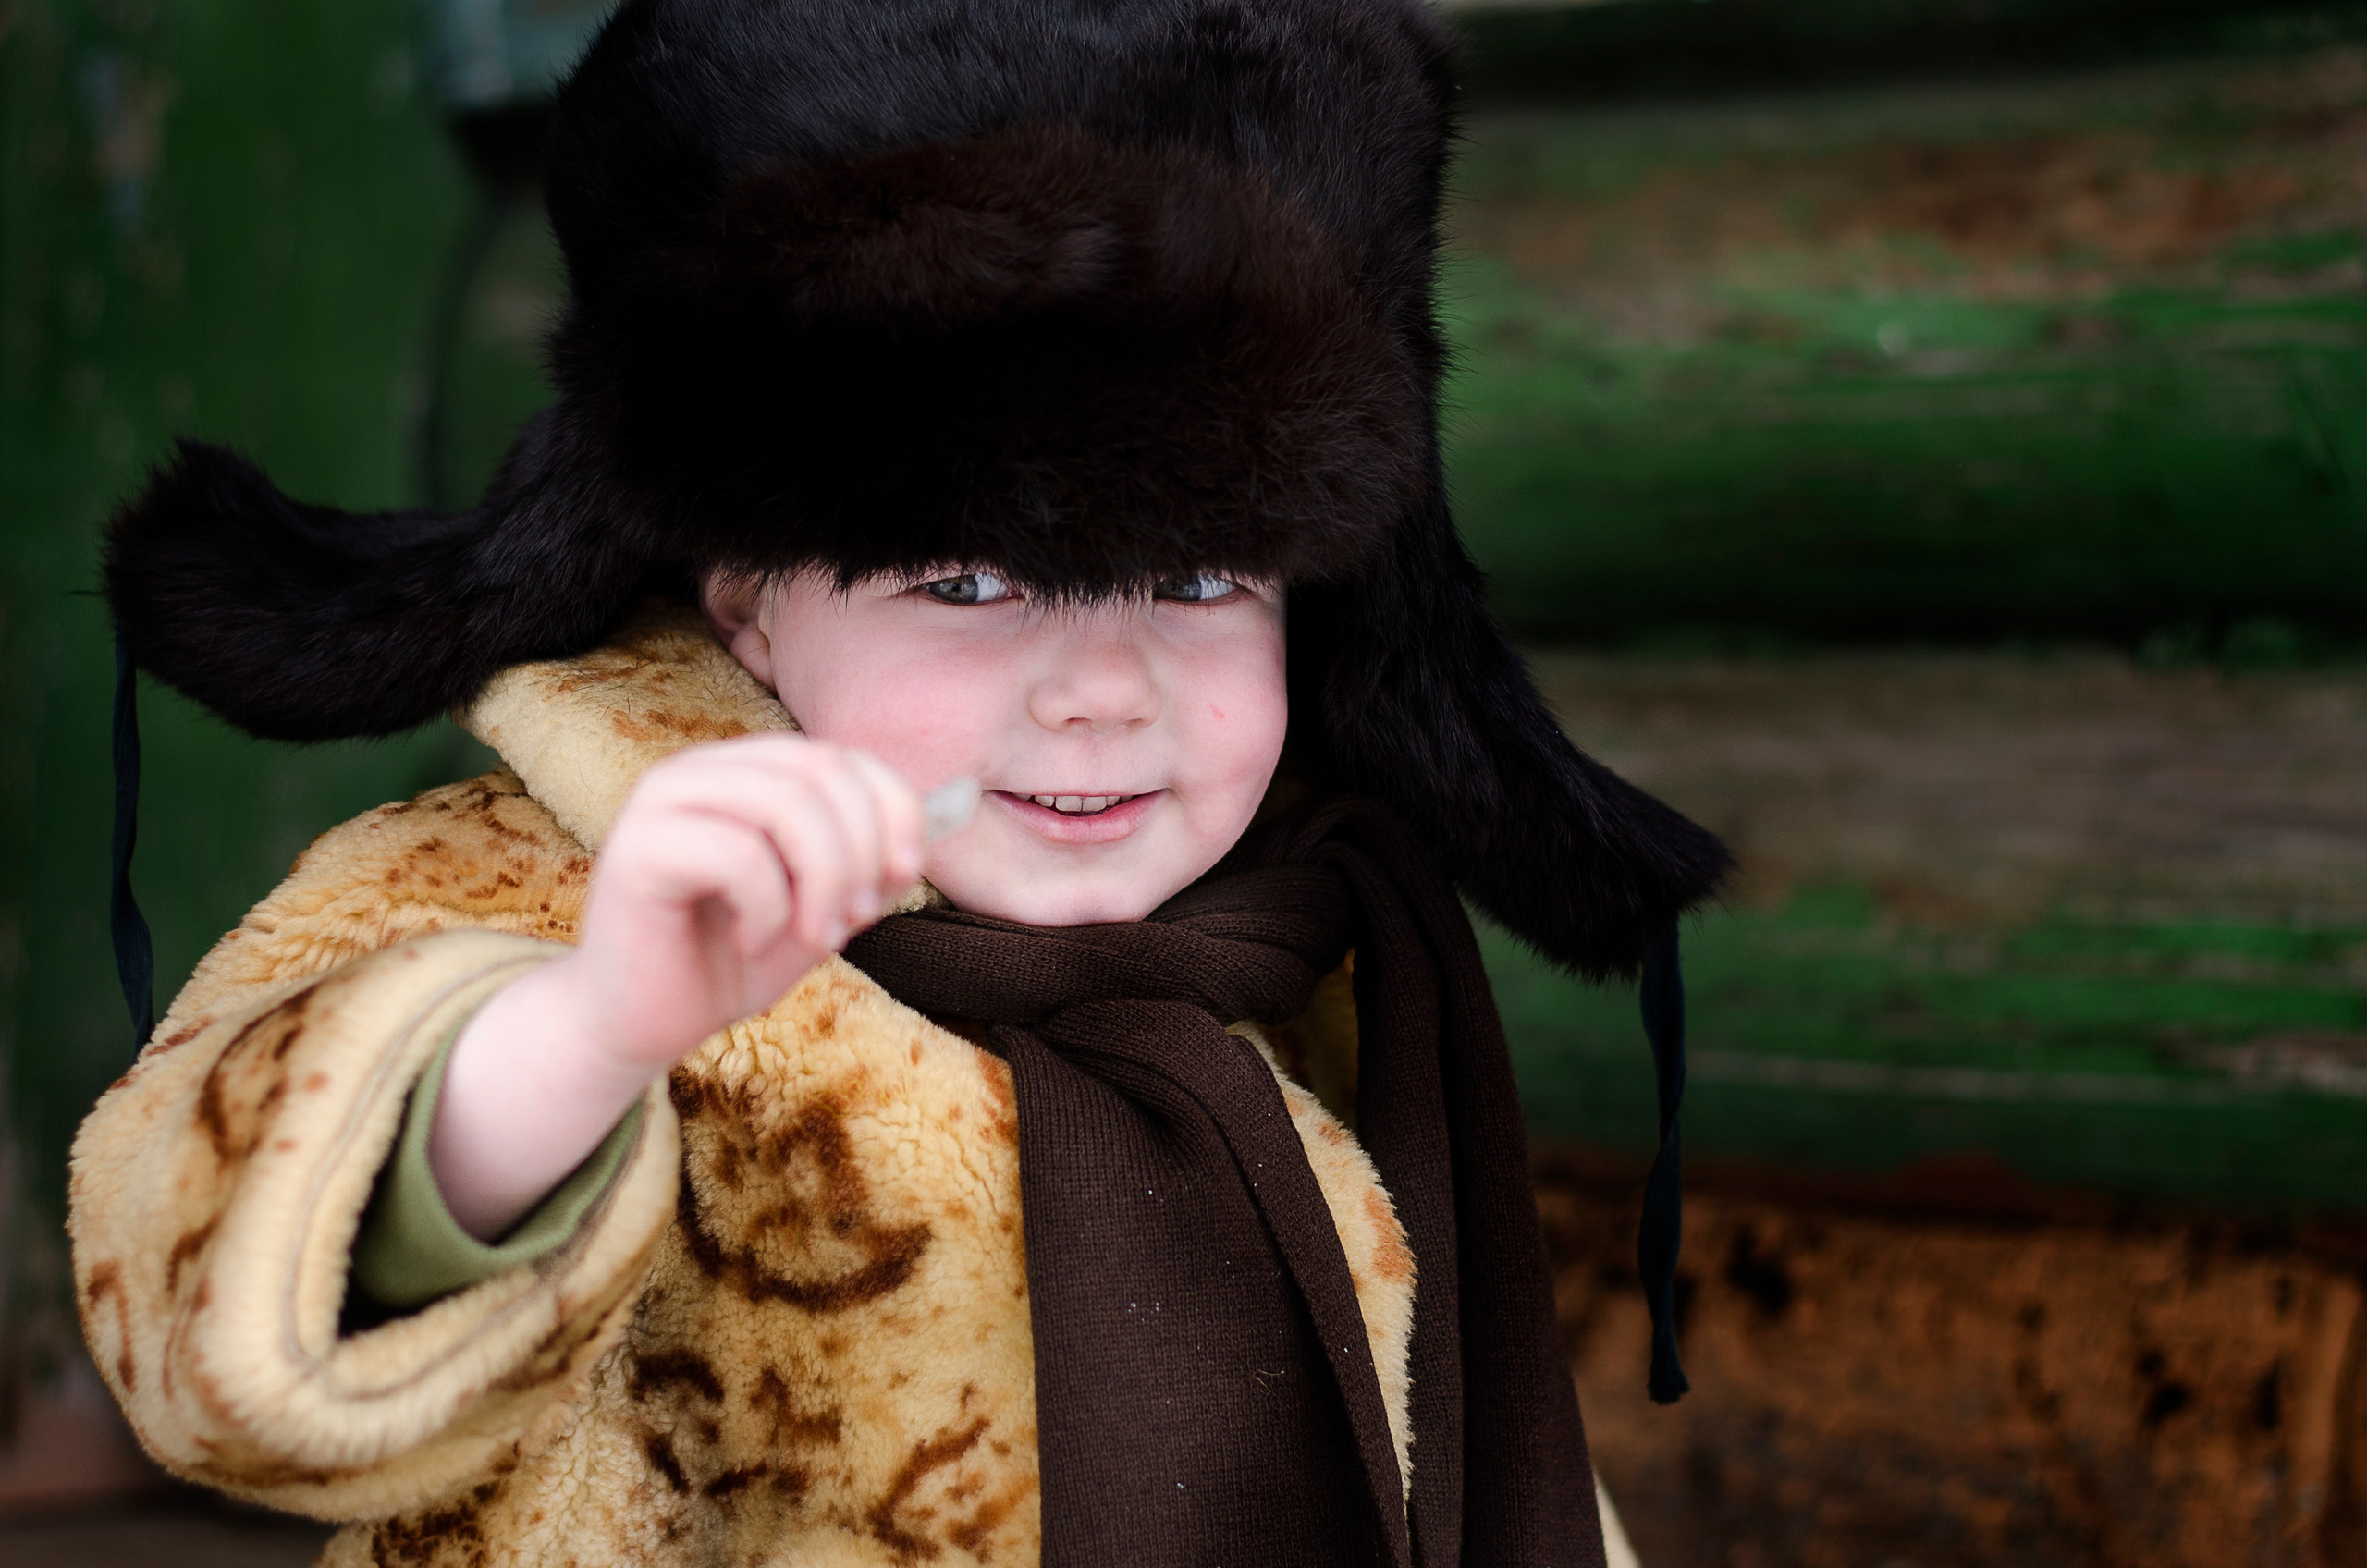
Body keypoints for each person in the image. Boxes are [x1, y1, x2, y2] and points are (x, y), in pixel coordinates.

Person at [72, 2, 1724, 1564]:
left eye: (1207, 577)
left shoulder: (1337, 965)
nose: (1097, 690)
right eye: (967, 582)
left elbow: (1491, 1483)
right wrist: (586, 1038)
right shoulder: (554, 892)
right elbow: (198, 1324)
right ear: (751, 597)